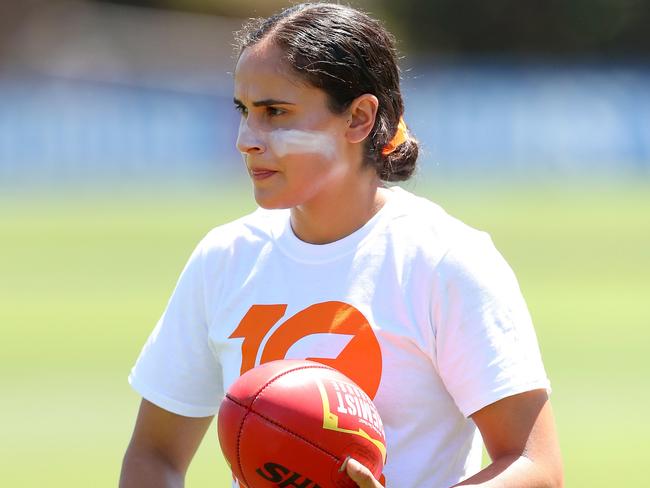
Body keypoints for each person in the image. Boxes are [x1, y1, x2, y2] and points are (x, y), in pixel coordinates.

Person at [119, 3, 563, 487]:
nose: (246, 139)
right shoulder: (225, 257)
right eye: (244, 112)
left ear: (359, 118)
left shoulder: (444, 261)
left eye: (275, 112)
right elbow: (155, 455)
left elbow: (534, 466)